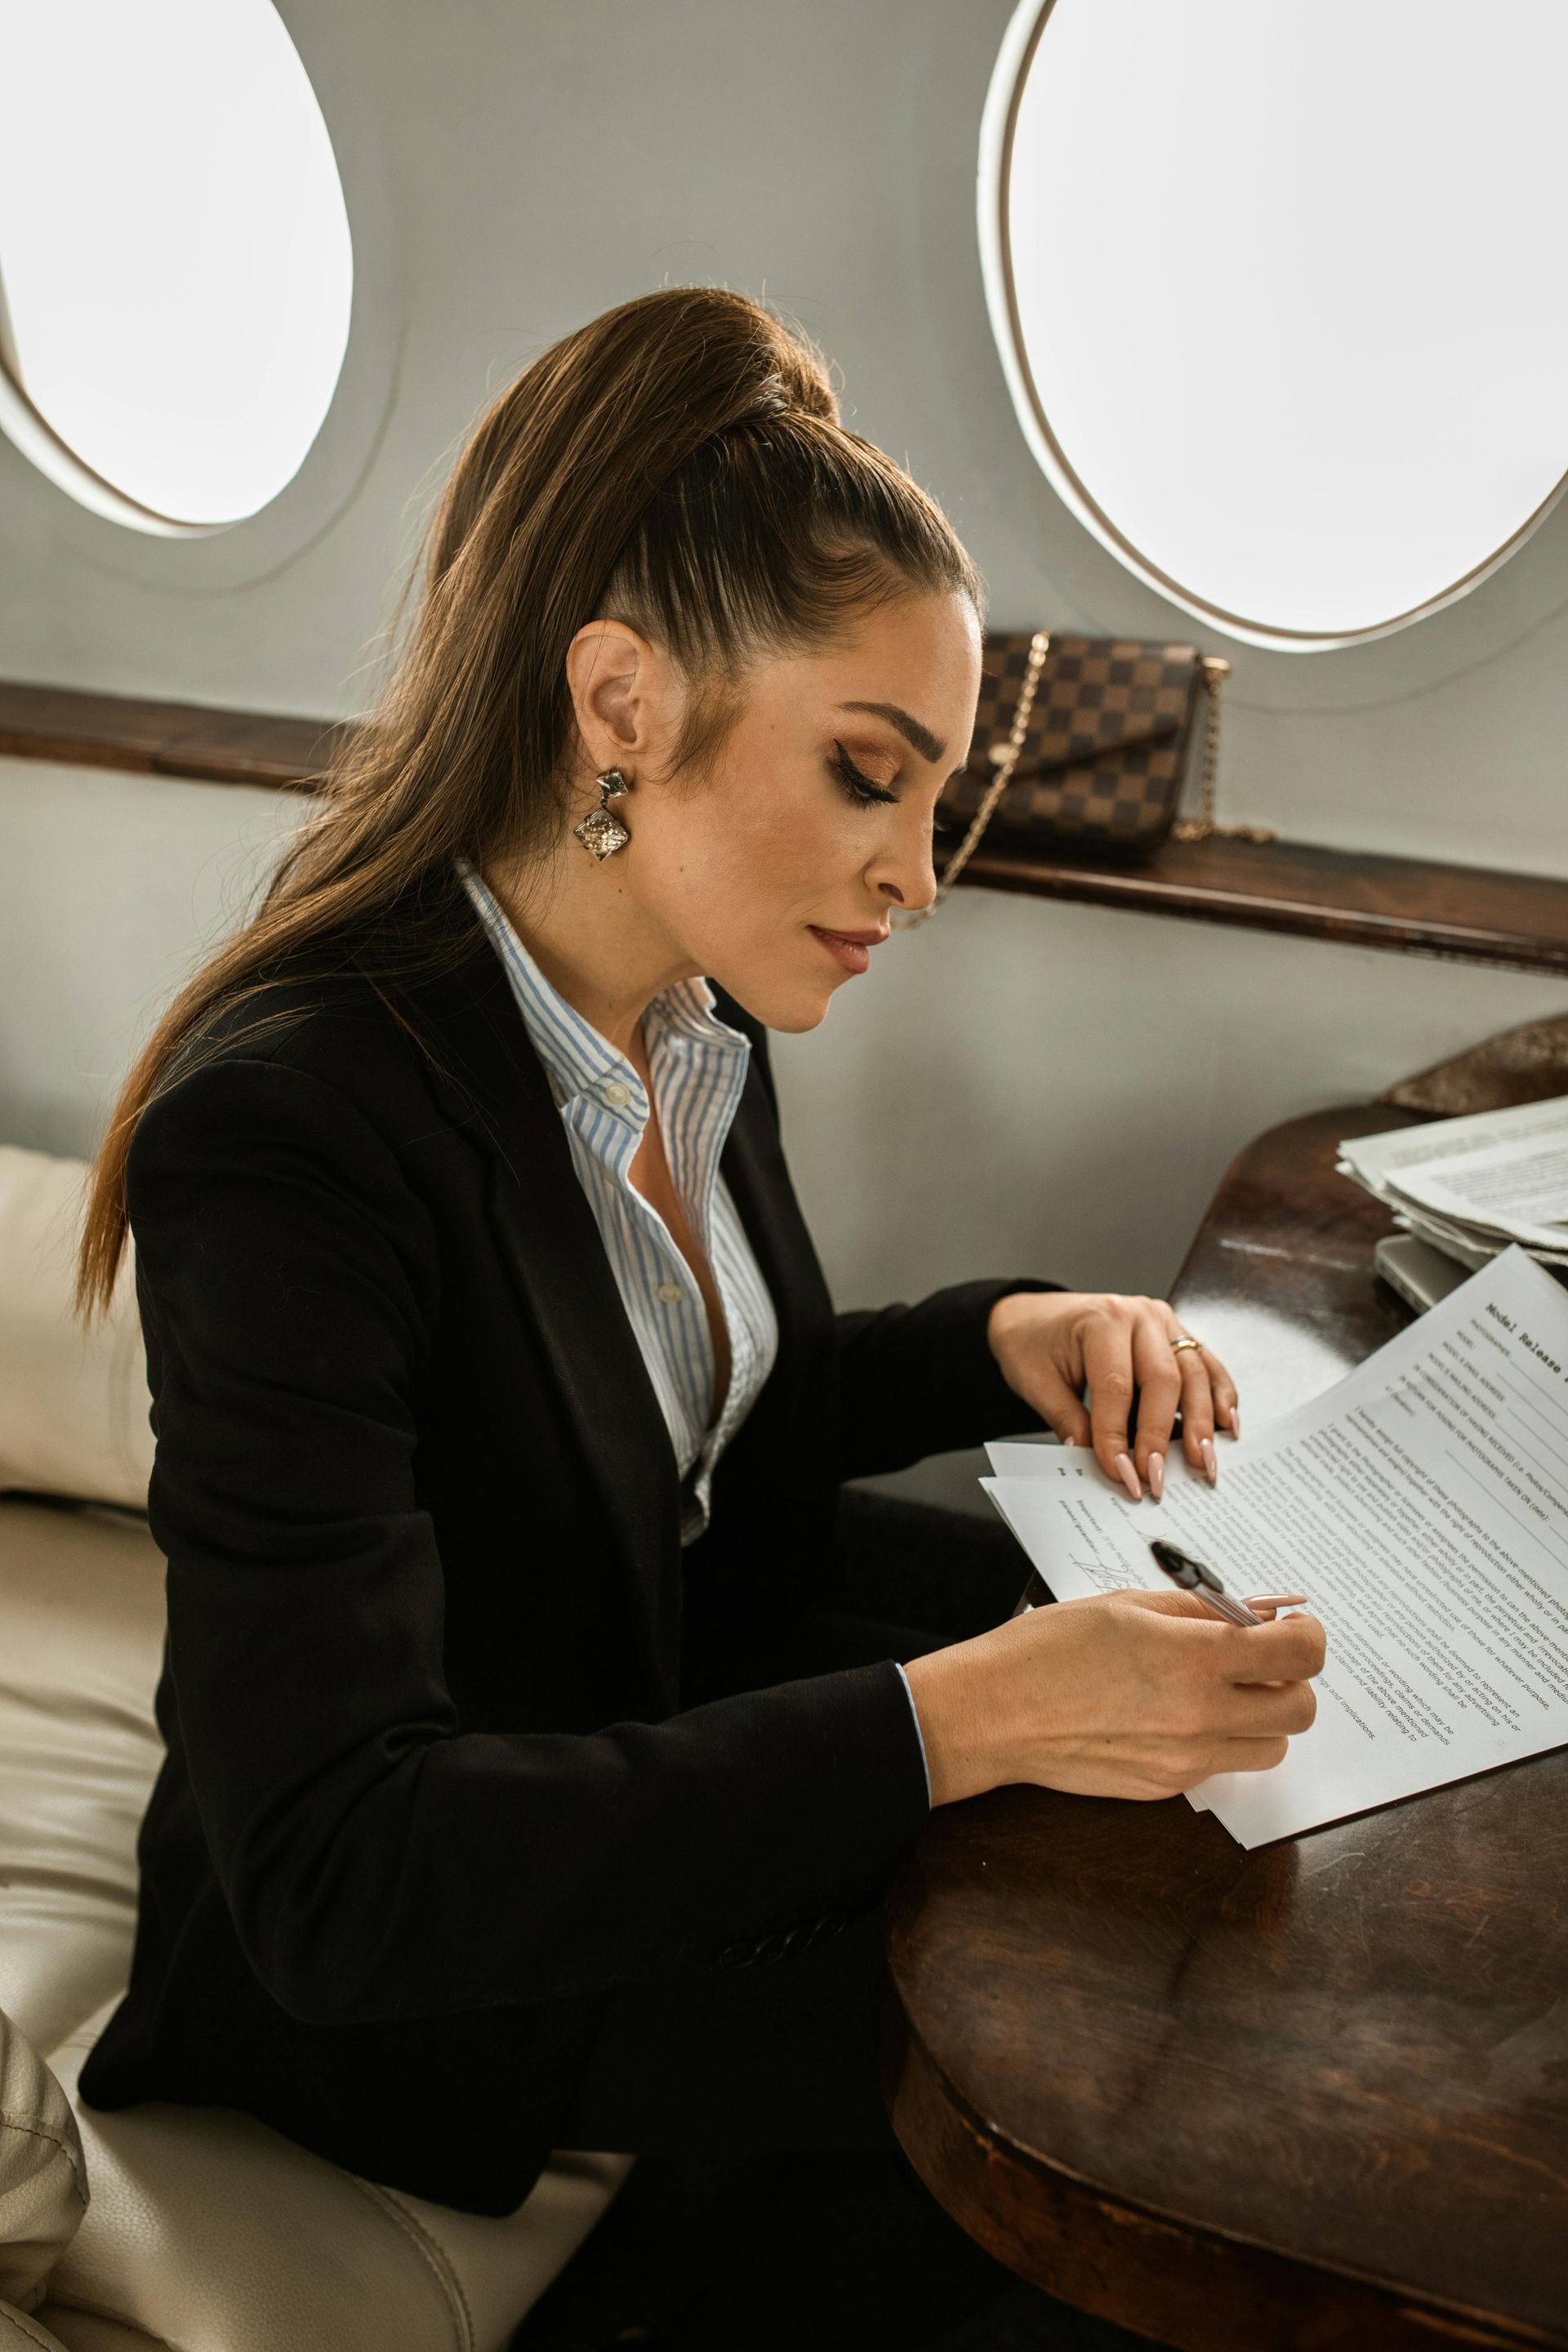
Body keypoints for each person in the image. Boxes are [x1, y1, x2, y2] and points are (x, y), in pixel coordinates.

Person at [74, 287, 1324, 2348]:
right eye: (867, 776)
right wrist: (964, 1721)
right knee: (1124, 2068)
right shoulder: (292, 1135)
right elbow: (342, 1877)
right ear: (622, 703)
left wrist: (996, 1338)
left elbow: (686, 1415)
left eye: (933, 797)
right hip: (430, 1968)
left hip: (654, 1698)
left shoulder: (691, 1016)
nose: (917, 878)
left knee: (1196, 1767)